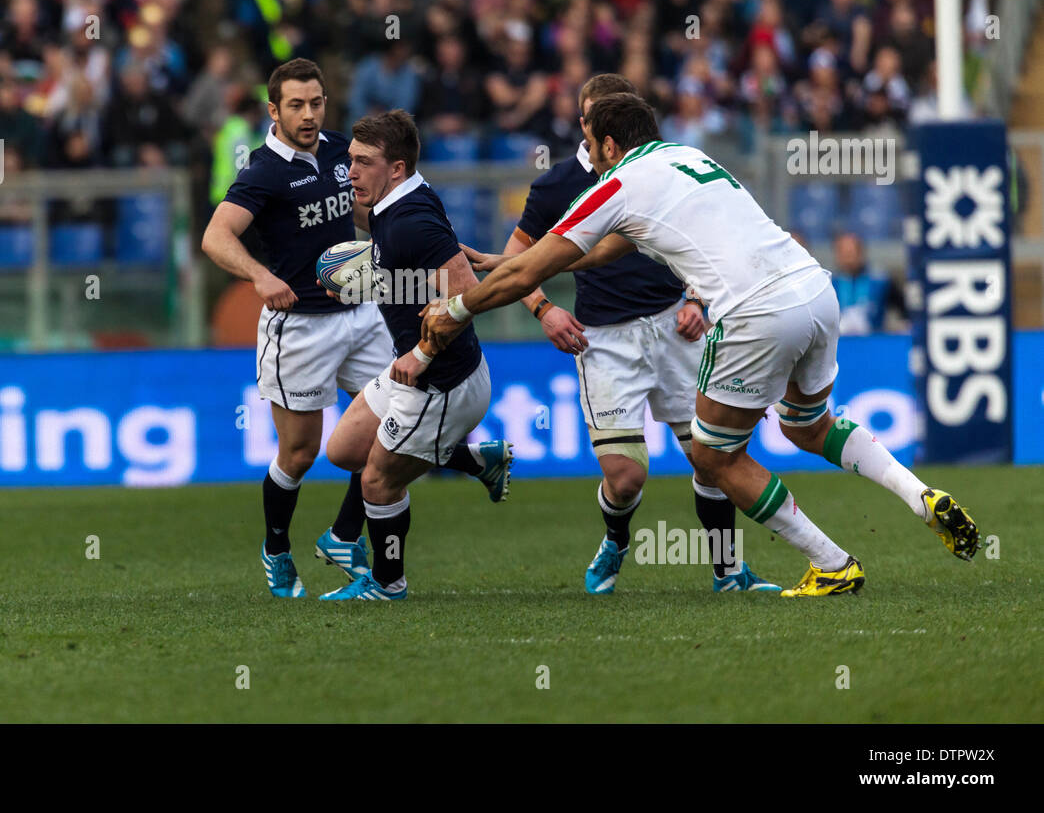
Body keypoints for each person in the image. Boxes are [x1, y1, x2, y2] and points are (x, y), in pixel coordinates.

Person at [425, 92, 979, 597]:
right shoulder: (690, 158)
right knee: (808, 425)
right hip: (814, 290)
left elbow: (535, 273)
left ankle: (831, 562)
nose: (586, 153)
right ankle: (918, 495)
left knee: (714, 458)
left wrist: (456, 310)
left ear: (610, 144)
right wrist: (509, 263)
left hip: (754, 315)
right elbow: (605, 249)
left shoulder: (615, 184)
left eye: (590, 143)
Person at [201, 61, 509, 598]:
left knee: (388, 427)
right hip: (298, 326)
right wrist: (260, 274)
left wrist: (441, 251)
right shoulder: (263, 173)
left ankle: (351, 540)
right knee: (300, 454)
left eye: (316, 102)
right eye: (296, 105)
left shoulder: (348, 155)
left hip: (364, 315)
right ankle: (277, 548)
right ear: (273, 111)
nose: (309, 114)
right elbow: (215, 236)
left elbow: (385, 216)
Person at [504, 73, 777, 593]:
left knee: (710, 457)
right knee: (626, 477)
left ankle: (727, 570)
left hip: (674, 329)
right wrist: (543, 309)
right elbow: (515, 258)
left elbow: (704, 243)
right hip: (604, 340)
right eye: (594, 114)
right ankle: (616, 539)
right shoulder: (556, 184)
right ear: (583, 123)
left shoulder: (660, 171)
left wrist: (697, 298)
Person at [321, 110, 498, 601]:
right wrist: (364, 281)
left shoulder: (412, 221)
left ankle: (387, 581)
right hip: (415, 375)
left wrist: (421, 351)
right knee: (344, 452)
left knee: (377, 482)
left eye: (362, 162)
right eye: (349, 160)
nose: (350, 172)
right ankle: (476, 460)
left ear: (395, 168)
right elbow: (418, 278)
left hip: (443, 384)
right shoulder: (391, 205)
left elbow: (468, 293)